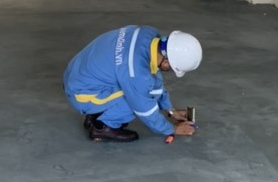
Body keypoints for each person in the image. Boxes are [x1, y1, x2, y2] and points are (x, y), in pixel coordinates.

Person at [63, 26, 202, 143]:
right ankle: (103, 127)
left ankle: (95, 114)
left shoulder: (148, 34)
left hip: (77, 74)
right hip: (81, 94)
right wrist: (171, 129)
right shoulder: (136, 72)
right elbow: (144, 108)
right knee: (134, 97)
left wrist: (170, 110)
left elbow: (154, 79)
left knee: (134, 85)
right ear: (166, 63)